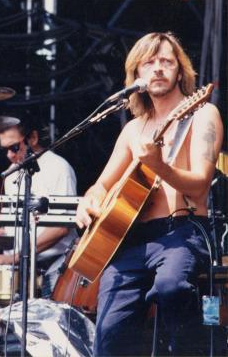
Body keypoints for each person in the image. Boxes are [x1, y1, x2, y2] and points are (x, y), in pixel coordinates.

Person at [75, 32, 224, 355]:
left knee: (171, 287)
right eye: (149, 62)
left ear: (180, 71)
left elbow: (200, 182)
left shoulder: (201, 115)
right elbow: (101, 184)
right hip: (130, 240)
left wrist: (161, 166)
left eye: (166, 61)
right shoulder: (133, 129)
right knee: (109, 333)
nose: (158, 68)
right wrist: (89, 200)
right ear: (137, 76)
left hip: (179, 234)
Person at [0, 120, 78, 297]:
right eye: (4, 149)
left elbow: (61, 227)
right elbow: (16, 223)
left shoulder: (58, 167)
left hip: (57, 267)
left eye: (14, 147)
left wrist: (15, 256)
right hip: (25, 268)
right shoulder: (11, 174)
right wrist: (1, 234)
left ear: (33, 138)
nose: (9, 155)